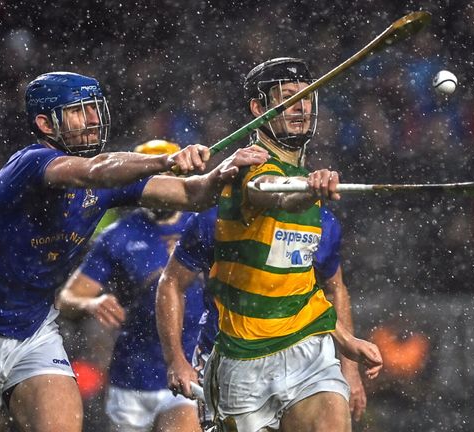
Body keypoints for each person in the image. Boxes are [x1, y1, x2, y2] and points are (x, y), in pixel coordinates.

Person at [0, 71, 268, 432]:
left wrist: (224, 172)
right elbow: (94, 172)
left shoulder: (107, 180)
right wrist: (166, 160)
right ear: (44, 123)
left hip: (33, 332)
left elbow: (193, 195)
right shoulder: (29, 164)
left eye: (94, 109)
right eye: (78, 111)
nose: (92, 120)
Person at [156, 58, 382, 432]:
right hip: (238, 359)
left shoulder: (323, 215)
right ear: (259, 108)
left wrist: (347, 354)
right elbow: (271, 196)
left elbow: (324, 288)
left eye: (307, 97)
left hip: (309, 349)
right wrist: (175, 359)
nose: (301, 107)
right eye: (288, 98)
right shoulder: (242, 176)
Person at [156, 204, 370, 429]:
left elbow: (333, 289)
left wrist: (350, 369)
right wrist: (175, 359)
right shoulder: (213, 219)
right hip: (229, 359)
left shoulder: (321, 221)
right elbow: (171, 282)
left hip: (302, 357)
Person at [56, 140, 202, 432]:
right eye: (150, 179)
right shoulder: (118, 236)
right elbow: (67, 298)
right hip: (132, 378)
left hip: (191, 370)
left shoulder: (201, 225)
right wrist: (91, 304)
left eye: (167, 175)